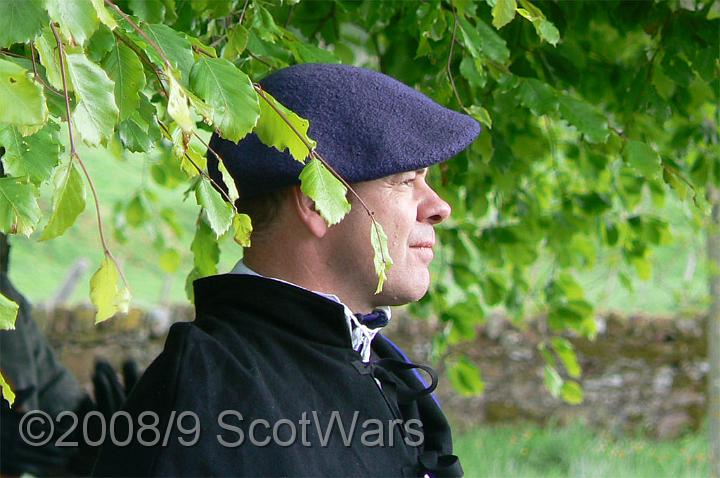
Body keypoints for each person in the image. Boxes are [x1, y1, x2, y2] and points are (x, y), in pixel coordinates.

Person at [92, 63, 480, 477]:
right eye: (405, 181)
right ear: (317, 200)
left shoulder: (383, 368)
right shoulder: (209, 392)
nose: (439, 207)